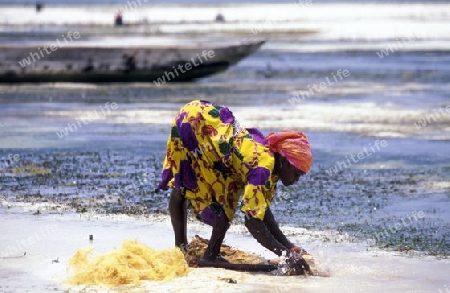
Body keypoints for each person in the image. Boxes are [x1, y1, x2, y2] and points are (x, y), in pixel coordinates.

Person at [157, 100, 312, 270]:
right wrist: (285, 255)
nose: (297, 179)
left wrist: (289, 247)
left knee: (226, 197)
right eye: (296, 173)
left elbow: (261, 210)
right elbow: (253, 222)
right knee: (185, 182)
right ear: (284, 161)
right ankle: (184, 248)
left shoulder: (271, 166)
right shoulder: (262, 169)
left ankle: (209, 253)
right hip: (197, 123)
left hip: (210, 124)